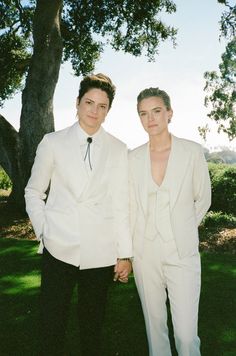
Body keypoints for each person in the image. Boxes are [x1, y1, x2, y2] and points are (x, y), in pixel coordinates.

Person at [25, 73, 132, 356]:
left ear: (108, 110)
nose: (94, 111)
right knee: (51, 326)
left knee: (92, 329)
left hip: (100, 252)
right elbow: (33, 192)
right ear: (77, 103)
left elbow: (121, 204)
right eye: (89, 102)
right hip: (59, 248)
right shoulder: (52, 142)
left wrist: (125, 254)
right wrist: (45, 232)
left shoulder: (119, 150)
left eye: (102, 106)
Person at [129, 87, 211, 356]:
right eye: (143, 113)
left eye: (156, 111)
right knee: (155, 333)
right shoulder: (132, 158)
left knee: (187, 337)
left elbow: (203, 199)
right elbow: (128, 206)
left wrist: (182, 228)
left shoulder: (192, 152)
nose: (150, 119)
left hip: (182, 253)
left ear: (169, 113)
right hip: (144, 253)